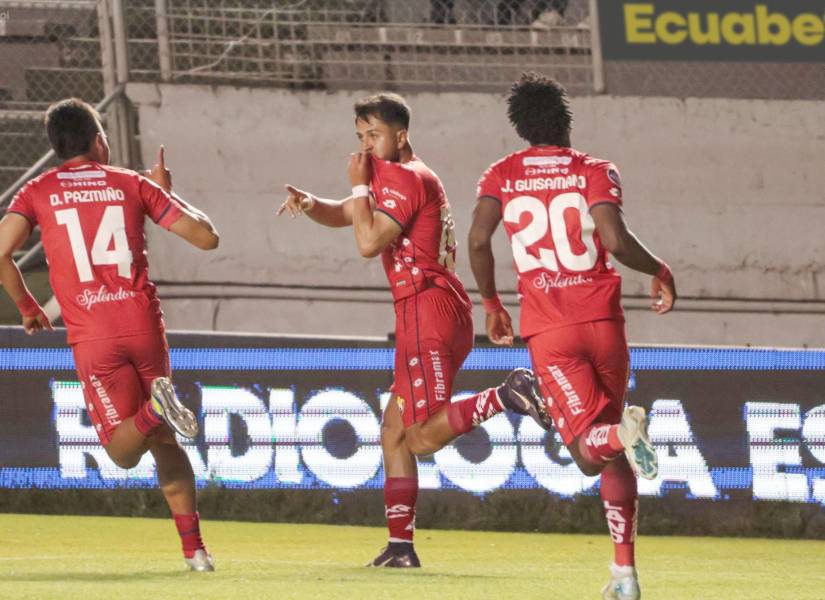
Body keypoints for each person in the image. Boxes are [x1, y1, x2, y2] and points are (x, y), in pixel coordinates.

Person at [277, 93, 550, 568]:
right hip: (426, 310)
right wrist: (312, 203)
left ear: (400, 135)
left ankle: (508, 395)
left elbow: (367, 241)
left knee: (420, 437)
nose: (365, 144)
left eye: (374, 135)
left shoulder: (406, 178)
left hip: (428, 309)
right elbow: (347, 214)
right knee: (393, 432)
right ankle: (401, 547)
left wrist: (359, 188)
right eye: (360, 136)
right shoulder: (390, 176)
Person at [467, 73, 676, 600]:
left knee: (588, 452)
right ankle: (624, 577)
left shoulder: (501, 174)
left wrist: (492, 304)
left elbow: (476, 240)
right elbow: (616, 241)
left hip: (551, 330)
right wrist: (660, 269)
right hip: (604, 323)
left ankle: (625, 433)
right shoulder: (594, 169)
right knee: (607, 447)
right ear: (565, 120)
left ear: (519, 126)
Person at [0, 98, 220, 572]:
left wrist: (27, 305)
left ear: (57, 147)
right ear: (99, 139)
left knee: (124, 450)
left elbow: (0, 252)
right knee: (166, 440)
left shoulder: (38, 190)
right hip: (143, 325)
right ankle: (196, 552)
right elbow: (207, 237)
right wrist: (168, 193)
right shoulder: (131, 183)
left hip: (93, 334)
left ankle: (155, 411)